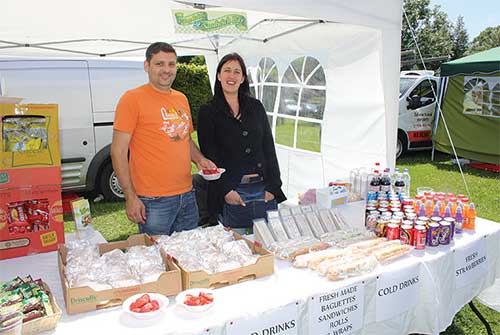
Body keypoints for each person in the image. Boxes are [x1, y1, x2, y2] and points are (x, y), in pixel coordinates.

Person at [111, 42, 216, 236]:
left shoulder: (181, 98)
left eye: (171, 64)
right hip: (153, 200)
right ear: (146, 66)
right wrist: (130, 197)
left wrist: (200, 159)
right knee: (156, 260)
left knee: (187, 255)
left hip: (187, 194)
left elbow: (184, 138)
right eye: (159, 64)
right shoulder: (132, 99)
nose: (166, 70)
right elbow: (117, 151)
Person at [197, 53, 286, 232]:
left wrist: (273, 186)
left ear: (243, 77)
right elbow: (210, 157)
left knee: (268, 246)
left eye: (237, 71)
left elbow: (268, 148)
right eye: (227, 70)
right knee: (235, 250)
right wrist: (226, 191)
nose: (232, 76)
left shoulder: (256, 107)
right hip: (231, 191)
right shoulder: (208, 111)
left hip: (263, 189)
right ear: (219, 75)